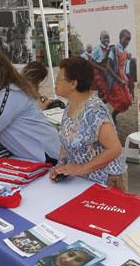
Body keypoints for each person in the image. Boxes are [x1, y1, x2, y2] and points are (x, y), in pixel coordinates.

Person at [50, 57, 129, 191]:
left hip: (107, 180)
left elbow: (115, 149)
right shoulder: (71, 105)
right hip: (82, 179)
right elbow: (66, 140)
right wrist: (60, 167)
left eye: (59, 79)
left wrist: (80, 169)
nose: (55, 83)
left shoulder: (95, 111)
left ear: (73, 84)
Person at [108, 29, 134, 123]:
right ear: (120, 38)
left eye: (129, 40)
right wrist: (118, 79)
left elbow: (124, 58)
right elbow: (108, 65)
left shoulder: (124, 49)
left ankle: (113, 115)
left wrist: (128, 55)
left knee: (128, 101)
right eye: (125, 39)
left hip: (123, 79)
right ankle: (112, 115)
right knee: (123, 101)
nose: (127, 42)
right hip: (116, 79)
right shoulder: (114, 49)